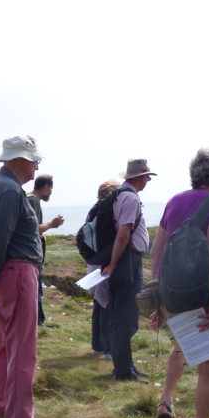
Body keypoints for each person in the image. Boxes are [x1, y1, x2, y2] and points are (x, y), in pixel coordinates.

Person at [148, 148, 209, 418]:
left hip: (172, 292)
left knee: (180, 345)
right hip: (202, 293)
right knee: (208, 365)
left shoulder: (174, 201)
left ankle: (166, 400)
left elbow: (156, 251)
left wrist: (158, 297)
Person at [0, 135, 47, 418]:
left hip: (8, 273)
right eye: (34, 161)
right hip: (18, 273)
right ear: (20, 160)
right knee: (22, 349)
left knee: (6, 344)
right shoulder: (9, 190)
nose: (37, 167)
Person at [102, 159, 152, 381]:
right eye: (147, 176)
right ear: (140, 177)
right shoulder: (130, 198)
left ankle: (126, 366)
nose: (148, 180)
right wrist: (113, 264)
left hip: (124, 260)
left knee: (121, 314)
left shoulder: (119, 195)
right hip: (127, 261)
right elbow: (123, 235)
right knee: (127, 316)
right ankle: (123, 371)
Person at [26, 174, 64, 326]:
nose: (51, 192)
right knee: (36, 291)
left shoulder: (29, 198)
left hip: (30, 254)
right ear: (47, 186)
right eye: (51, 188)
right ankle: (38, 322)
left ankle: (37, 320)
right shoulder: (33, 200)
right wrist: (52, 224)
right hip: (31, 254)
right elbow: (33, 229)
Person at [90, 179, 120, 356]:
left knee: (98, 303)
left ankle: (98, 345)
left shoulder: (93, 210)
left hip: (94, 261)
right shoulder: (109, 211)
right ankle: (109, 348)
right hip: (106, 261)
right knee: (109, 303)